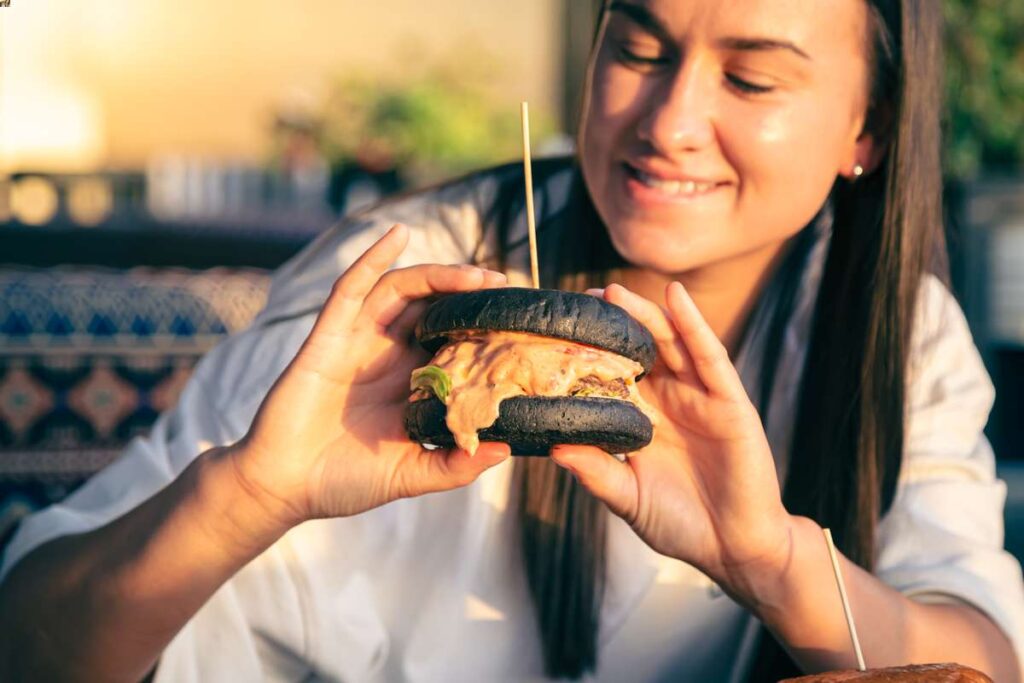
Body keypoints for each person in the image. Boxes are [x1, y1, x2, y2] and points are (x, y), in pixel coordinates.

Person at [1, 1, 1022, 681]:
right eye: (638, 49)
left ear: (866, 129)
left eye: (750, 80)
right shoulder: (399, 290)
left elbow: (981, 657)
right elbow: (31, 644)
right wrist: (245, 497)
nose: (669, 121)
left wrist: (770, 558)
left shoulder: (898, 335)